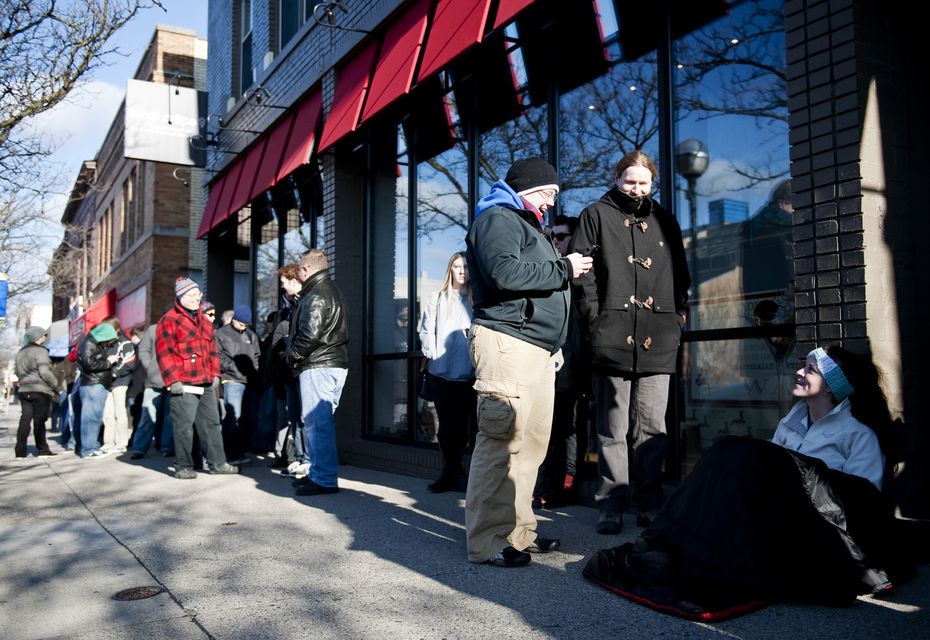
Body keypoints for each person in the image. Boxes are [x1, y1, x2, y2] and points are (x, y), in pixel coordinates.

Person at [583, 346, 909, 618]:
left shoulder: (858, 435)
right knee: (726, 455)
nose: (800, 372)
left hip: (816, 528)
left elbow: (863, 502)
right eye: (803, 366)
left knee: (738, 452)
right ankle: (675, 541)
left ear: (832, 386)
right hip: (778, 519)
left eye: (811, 370)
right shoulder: (791, 422)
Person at [464, 157, 593, 568]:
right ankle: (487, 542)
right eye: (548, 193)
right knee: (501, 444)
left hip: (536, 349)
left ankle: (518, 535)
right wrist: (564, 267)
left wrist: (554, 345)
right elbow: (504, 273)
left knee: (530, 449)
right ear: (527, 188)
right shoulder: (498, 218)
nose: (552, 202)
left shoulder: (526, 224)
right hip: (508, 344)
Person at [571, 150, 691, 534]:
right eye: (630, 181)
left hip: (659, 337)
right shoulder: (595, 215)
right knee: (612, 428)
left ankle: (649, 503)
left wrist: (676, 317)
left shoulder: (666, 220)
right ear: (616, 178)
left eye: (643, 182)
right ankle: (610, 505)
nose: (636, 188)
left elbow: (681, 275)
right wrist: (595, 318)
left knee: (652, 428)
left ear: (652, 183)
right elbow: (581, 274)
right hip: (611, 337)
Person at [156, 276, 238, 479]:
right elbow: (164, 353)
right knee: (184, 427)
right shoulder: (169, 320)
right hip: (183, 383)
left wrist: (216, 374)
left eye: (198, 294)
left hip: (207, 381)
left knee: (212, 424)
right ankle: (183, 466)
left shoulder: (204, 320)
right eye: (192, 295)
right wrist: (173, 380)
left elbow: (212, 351)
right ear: (181, 296)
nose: (196, 298)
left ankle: (218, 464)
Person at [534, 215, 589, 508]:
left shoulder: (584, 277)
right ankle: (548, 484)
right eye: (552, 236)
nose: (555, 241)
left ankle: (565, 487)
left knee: (569, 431)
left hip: (575, 371)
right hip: (549, 369)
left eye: (561, 236)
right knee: (548, 430)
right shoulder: (551, 273)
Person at [286, 248, 349, 496]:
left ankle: (323, 478)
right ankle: (318, 474)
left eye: (299, 269)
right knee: (320, 423)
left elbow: (308, 336)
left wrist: (292, 357)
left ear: (306, 269)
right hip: (331, 363)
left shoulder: (316, 294)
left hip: (319, 365)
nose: (298, 274)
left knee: (317, 424)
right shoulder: (332, 290)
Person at [418, 252, 476, 493]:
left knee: (461, 428)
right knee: (445, 427)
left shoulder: (476, 300)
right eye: (457, 266)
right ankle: (451, 473)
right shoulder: (438, 298)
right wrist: (432, 354)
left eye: (466, 267)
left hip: (467, 375)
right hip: (439, 373)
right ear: (450, 269)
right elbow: (426, 330)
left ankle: (453, 473)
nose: (462, 271)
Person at [215, 304, 261, 465]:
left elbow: (257, 355)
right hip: (232, 379)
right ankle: (229, 453)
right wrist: (233, 368)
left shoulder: (251, 334)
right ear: (234, 319)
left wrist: (255, 369)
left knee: (249, 418)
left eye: (246, 325)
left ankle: (240, 451)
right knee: (234, 417)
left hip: (250, 381)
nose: (243, 327)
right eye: (241, 324)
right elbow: (218, 357)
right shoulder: (221, 334)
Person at [13, 326, 60, 458]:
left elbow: (17, 372)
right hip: (39, 390)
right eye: (44, 335)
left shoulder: (20, 352)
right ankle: (42, 449)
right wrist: (55, 383)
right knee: (39, 421)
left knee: (25, 419)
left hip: (24, 390)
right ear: (39, 337)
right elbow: (44, 371)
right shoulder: (41, 351)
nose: (45, 337)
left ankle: (20, 451)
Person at [76, 322, 120, 459]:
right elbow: (89, 364)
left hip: (96, 384)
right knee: (90, 418)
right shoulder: (89, 344)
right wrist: (109, 362)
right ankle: (88, 449)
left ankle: (92, 446)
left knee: (94, 418)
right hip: (93, 384)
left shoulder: (92, 343)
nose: (109, 342)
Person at [101, 316, 136, 454]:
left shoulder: (125, 343)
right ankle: (108, 442)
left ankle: (121, 442)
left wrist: (114, 373)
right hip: (107, 382)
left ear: (115, 328)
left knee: (119, 412)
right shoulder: (105, 344)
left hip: (121, 382)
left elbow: (129, 363)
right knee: (108, 414)